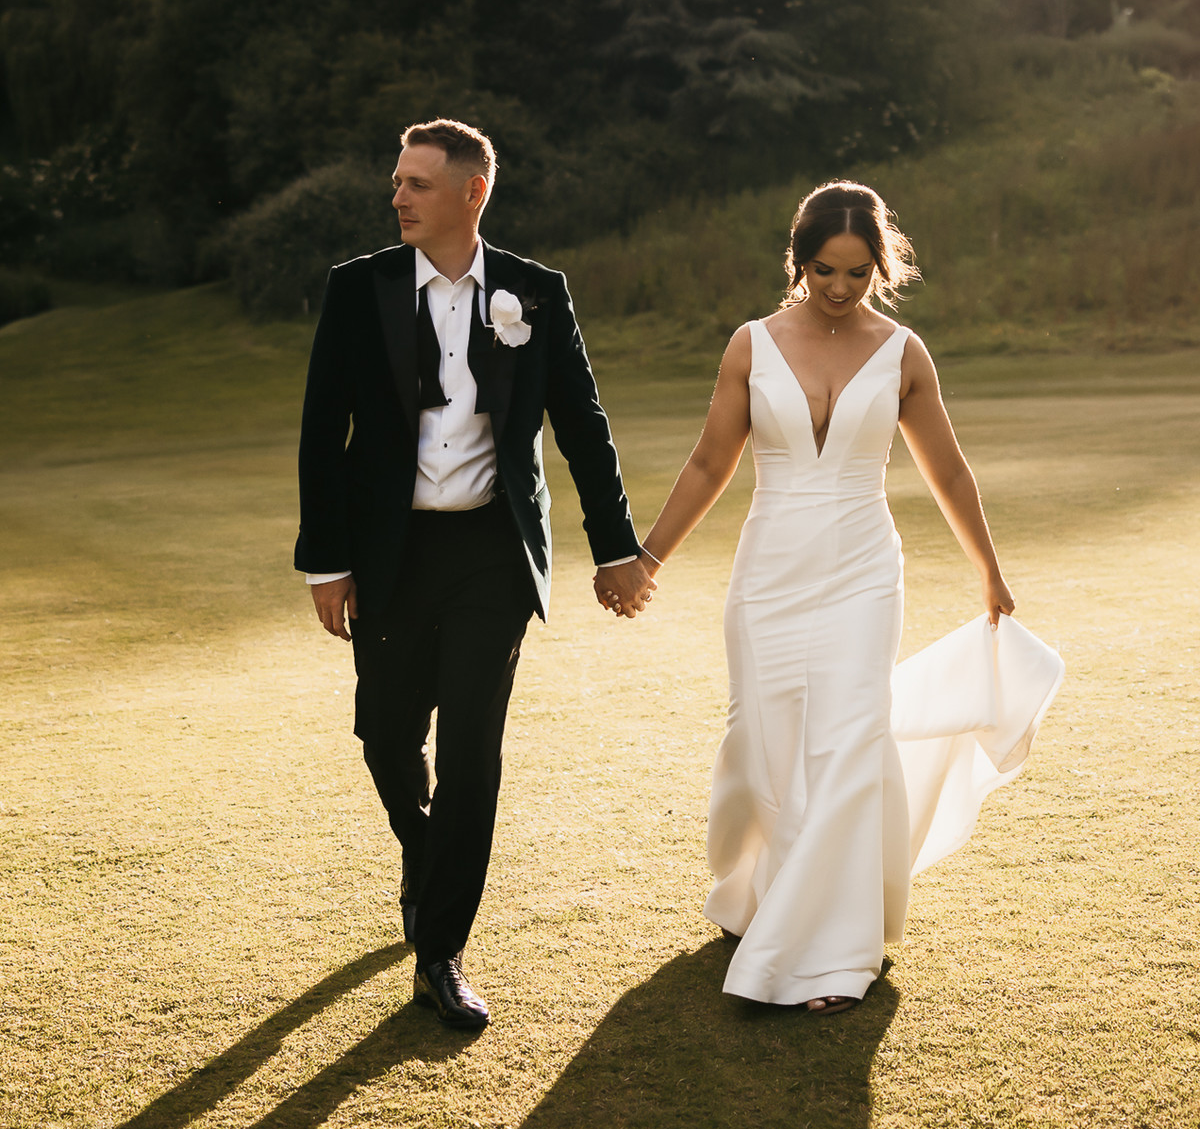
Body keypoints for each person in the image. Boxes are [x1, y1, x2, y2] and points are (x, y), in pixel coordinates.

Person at [598, 181, 1016, 1014]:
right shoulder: (751, 345)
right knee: (762, 741)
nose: (839, 287)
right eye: (825, 269)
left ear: (879, 268)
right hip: (770, 576)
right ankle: (757, 895)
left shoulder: (904, 353)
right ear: (799, 262)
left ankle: (832, 951)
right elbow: (711, 463)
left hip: (864, 574)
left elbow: (949, 470)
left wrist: (989, 570)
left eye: (858, 272)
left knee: (848, 743)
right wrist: (647, 555)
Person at [296, 118, 654, 1032]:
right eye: (397, 181)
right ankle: (426, 855)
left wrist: (616, 545)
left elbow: (581, 421)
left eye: (417, 182)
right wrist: (326, 560)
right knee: (384, 733)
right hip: (390, 553)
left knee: (472, 755)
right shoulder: (360, 288)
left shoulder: (536, 292)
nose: (399, 196)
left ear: (471, 192)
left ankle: (442, 950)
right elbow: (322, 431)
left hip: (492, 557)